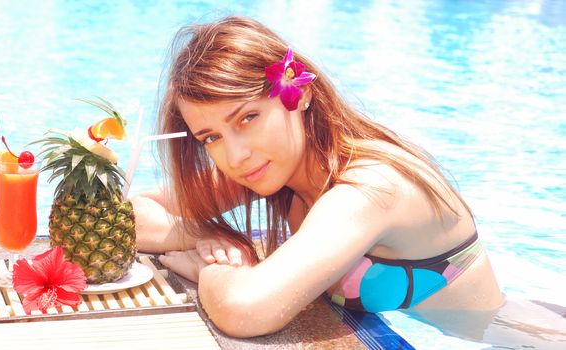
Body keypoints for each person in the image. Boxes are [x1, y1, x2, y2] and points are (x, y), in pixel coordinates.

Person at [132, 16, 505, 338]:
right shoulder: (268, 169)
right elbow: (128, 214)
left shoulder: (369, 190)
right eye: (211, 137)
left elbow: (243, 310)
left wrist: (213, 269)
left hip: (512, 337)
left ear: (300, 93)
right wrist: (212, 234)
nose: (234, 155)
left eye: (248, 118)